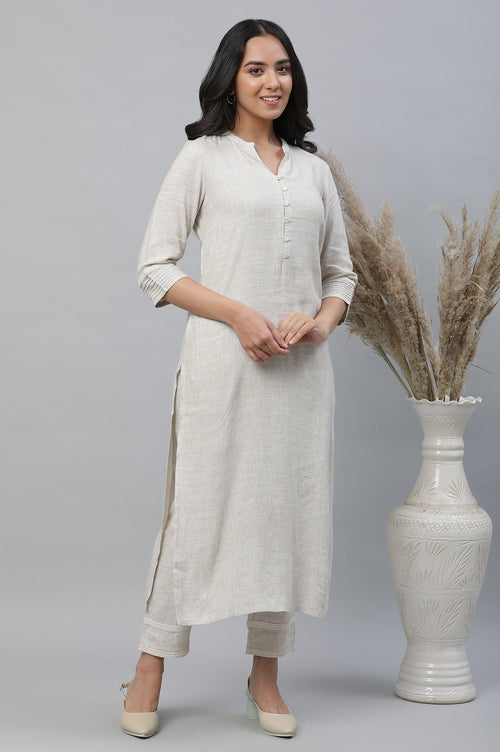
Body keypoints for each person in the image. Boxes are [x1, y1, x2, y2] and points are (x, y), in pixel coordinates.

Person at [120, 18, 357, 739]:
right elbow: (154, 268)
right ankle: (150, 666)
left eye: (282, 68)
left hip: (301, 375)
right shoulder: (202, 159)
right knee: (196, 515)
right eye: (256, 69)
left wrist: (319, 322)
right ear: (230, 78)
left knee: (285, 518)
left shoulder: (315, 172)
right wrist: (239, 315)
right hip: (223, 368)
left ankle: (265, 676)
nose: (272, 81)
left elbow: (341, 275)